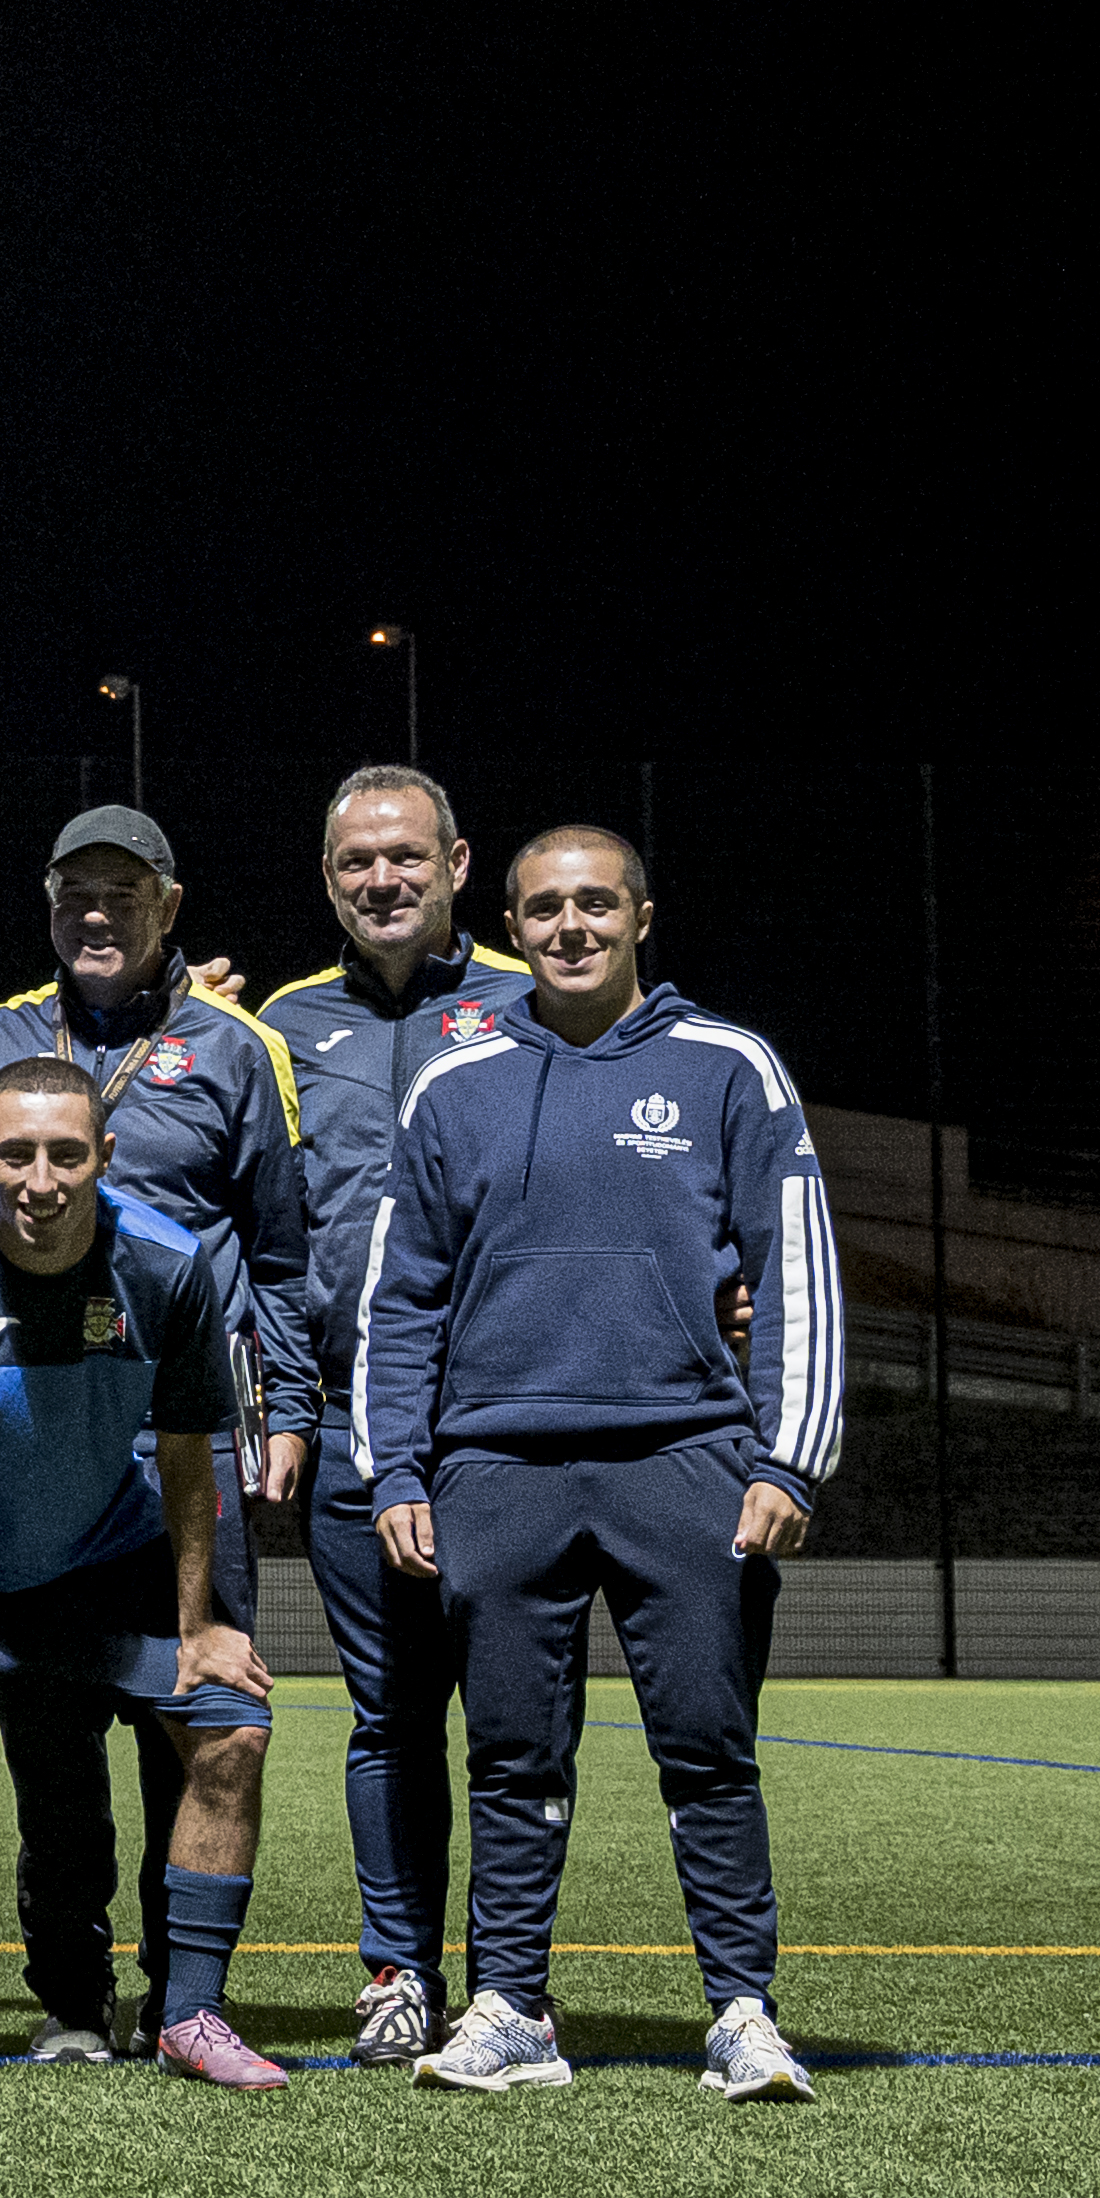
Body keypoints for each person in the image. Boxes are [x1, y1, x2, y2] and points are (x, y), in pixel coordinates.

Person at [357, 823, 838, 2103]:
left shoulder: (726, 1065)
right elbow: (396, 1297)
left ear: (639, 914)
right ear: (507, 926)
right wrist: (395, 1470)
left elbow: (793, 1266)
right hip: (494, 1467)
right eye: (541, 908)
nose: (568, 926)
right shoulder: (449, 1082)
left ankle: (741, 2009)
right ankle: (510, 2004)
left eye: (593, 903)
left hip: (682, 1457)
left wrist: (786, 1461)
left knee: (708, 1749)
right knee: (511, 1755)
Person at [0, 1055, 288, 2091]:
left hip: (106, 1564)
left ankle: (189, 2015)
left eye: (66, 1154)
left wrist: (201, 1619)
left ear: (105, 1157)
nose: (40, 1178)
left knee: (231, 1723)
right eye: (18, 1153)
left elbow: (183, 1458)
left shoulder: (169, 1266)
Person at [0, 803, 308, 2043]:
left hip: (189, 1433)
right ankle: (66, 1996)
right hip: (40, 1429)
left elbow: (277, 1254)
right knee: (47, 1728)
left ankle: (184, 1996)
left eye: (120, 894)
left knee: (192, 1706)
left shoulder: (233, 1047)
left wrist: (289, 1406)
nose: (93, 914)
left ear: (169, 906)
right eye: (71, 894)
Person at [251, 765, 531, 2064]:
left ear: (458, 862)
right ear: (327, 878)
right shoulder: (280, 1026)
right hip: (362, 1434)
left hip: (511, 1430)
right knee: (389, 1715)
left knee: (520, 1716)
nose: (384, 879)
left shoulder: (534, 1007)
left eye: (406, 856)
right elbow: (267, 1237)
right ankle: (396, 1973)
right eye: (358, 860)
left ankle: (510, 1982)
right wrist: (287, 1407)